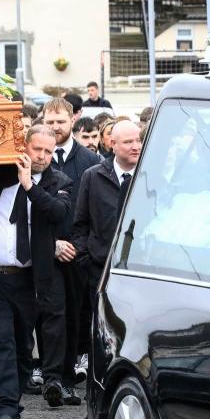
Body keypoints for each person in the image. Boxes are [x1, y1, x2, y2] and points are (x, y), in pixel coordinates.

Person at [0, 124, 72, 419]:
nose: (42, 156)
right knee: (0, 340)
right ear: (24, 146)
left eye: (48, 151)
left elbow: (58, 213)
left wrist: (30, 186)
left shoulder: (59, 183)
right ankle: (4, 411)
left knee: (21, 348)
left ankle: (4, 405)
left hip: (29, 281)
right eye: (37, 149)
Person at [43, 98, 100, 402]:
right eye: (49, 122)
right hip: (46, 251)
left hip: (79, 254)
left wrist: (78, 247)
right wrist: (51, 245)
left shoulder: (90, 161)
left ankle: (70, 375)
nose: (55, 128)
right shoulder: (38, 159)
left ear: (73, 120)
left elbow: (94, 211)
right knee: (53, 316)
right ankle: (54, 377)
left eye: (60, 122)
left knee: (78, 317)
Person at [72, 121, 141, 309]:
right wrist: (87, 261)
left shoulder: (149, 176)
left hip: (139, 272)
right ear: (112, 144)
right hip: (99, 271)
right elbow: (80, 223)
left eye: (138, 140)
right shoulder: (93, 176)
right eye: (128, 142)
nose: (135, 147)